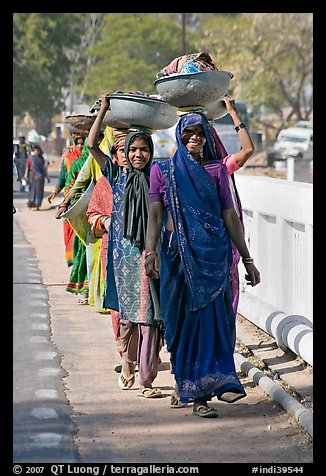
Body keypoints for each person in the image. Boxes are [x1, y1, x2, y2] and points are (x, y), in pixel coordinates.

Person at [145, 112, 260, 417]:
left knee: (214, 324)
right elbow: (155, 215)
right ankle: (189, 387)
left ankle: (208, 392)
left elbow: (230, 217)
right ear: (179, 136)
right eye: (188, 133)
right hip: (177, 260)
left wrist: (247, 260)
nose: (194, 138)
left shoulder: (216, 172)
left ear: (208, 137)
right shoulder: (162, 171)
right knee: (183, 326)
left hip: (214, 259)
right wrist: (149, 253)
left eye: (199, 133)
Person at [87, 94, 163, 398]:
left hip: (148, 253)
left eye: (144, 150)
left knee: (150, 317)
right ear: (125, 153)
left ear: (151, 152)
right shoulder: (116, 175)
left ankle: (147, 381)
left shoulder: (159, 176)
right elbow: (93, 145)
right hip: (122, 256)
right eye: (132, 149)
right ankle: (128, 365)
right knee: (129, 318)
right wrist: (104, 111)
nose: (138, 155)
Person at [210, 95, 255, 317]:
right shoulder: (182, 171)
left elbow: (247, 149)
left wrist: (232, 114)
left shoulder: (221, 167)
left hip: (224, 248)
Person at [48, 134, 85, 267]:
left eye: (83, 143)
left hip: (85, 201)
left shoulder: (89, 159)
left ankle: (81, 263)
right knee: (70, 232)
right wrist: (54, 192)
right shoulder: (68, 160)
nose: (80, 146)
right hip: (70, 202)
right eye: (78, 143)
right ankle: (73, 261)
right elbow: (62, 178)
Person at [23, 144, 50, 210]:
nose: (36, 152)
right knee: (32, 190)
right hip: (32, 176)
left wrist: (47, 177)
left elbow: (43, 169)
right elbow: (27, 167)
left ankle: (37, 204)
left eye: (37, 151)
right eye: (35, 150)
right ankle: (31, 203)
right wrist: (25, 175)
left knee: (39, 191)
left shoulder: (41, 159)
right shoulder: (30, 158)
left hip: (40, 178)